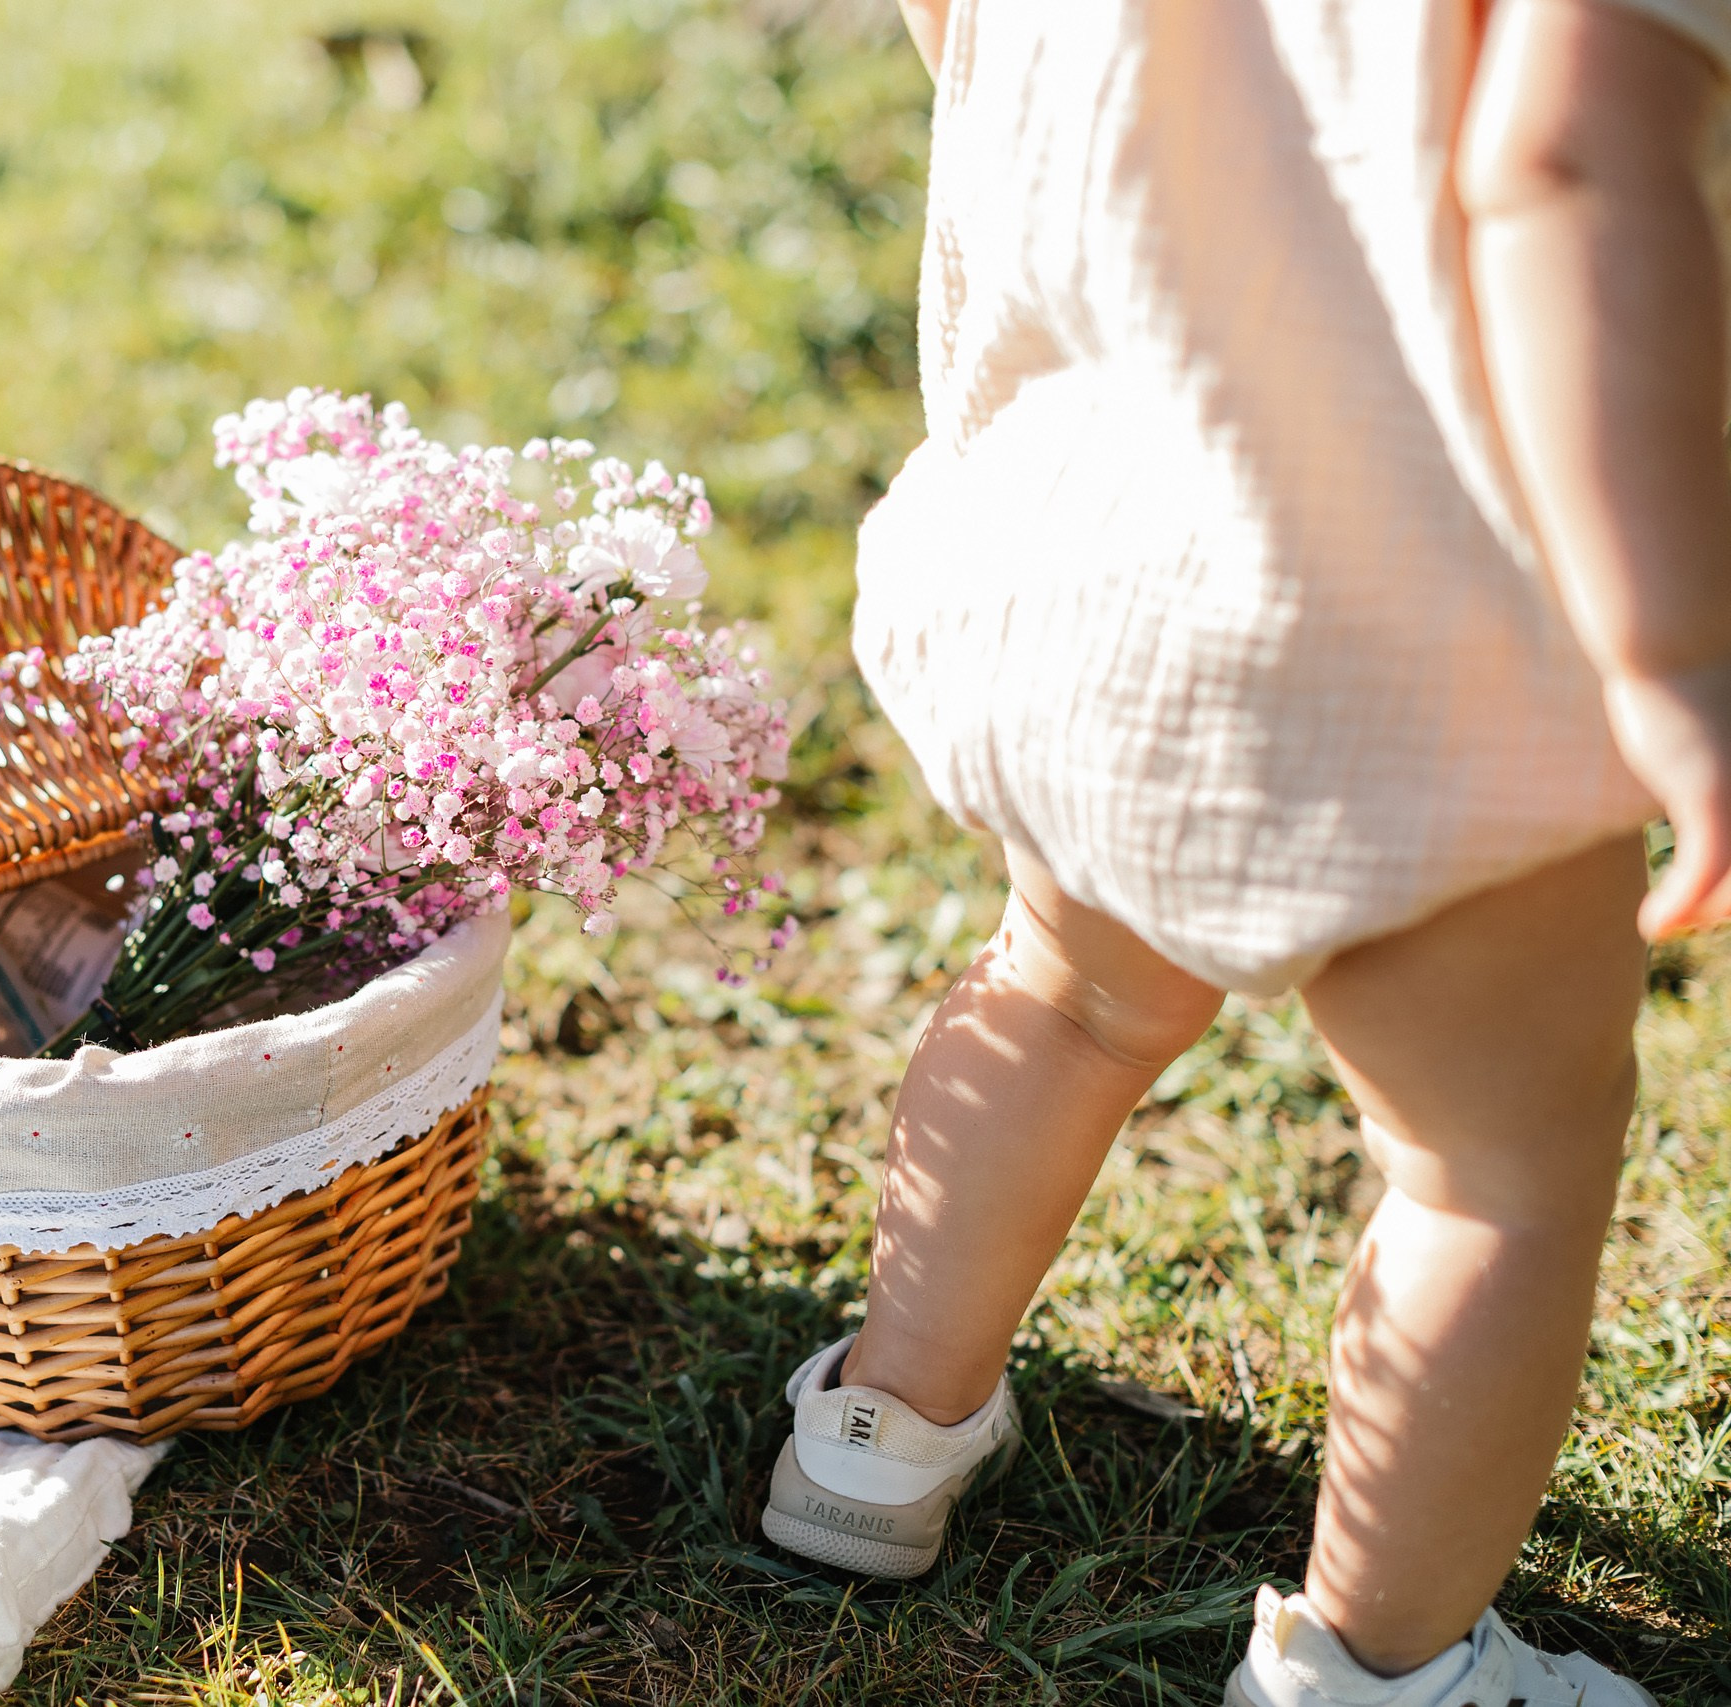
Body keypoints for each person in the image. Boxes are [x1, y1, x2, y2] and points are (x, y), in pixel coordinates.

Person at [756, 2, 1731, 1703]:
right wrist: (1672, 660)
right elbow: (1566, 163)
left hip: (1104, 536)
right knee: (1488, 1169)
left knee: (1063, 1000)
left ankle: (875, 1438)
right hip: (1428, 618)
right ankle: (1381, 1671)